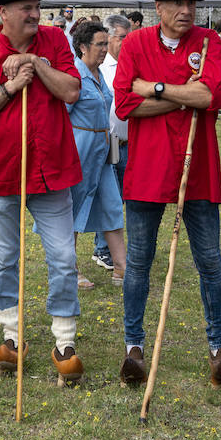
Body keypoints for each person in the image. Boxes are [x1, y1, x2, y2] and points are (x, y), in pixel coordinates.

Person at [0, 0, 84, 386]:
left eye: (37, 7)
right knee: (4, 260)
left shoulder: (56, 42)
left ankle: (64, 340)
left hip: (52, 173)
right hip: (1, 173)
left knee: (63, 258)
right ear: (3, 13)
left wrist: (36, 65)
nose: (34, 14)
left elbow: (71, 93)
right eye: (25, 8)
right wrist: (10, 88)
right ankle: (12, 335)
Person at [114, 0, 221, 387]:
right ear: (158, 8)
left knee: (210, 262)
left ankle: (219, 346)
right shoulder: (134, 44)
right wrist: (184, 94)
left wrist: (157, 88)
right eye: (176, 5)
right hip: (148, 168)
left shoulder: (208, 43)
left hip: (198, 166)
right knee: (139, 264)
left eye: (192, 6)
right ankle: (134, 345)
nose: (186, 12)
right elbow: (126, 104)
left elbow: (210, 98)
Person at [61, 23, 125, 291]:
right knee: (72, 210)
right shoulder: (73, 75)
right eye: (99, 44)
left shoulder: (99, 74)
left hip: (103, 150)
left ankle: (123, 267)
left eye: (105, 43)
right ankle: (69, 270)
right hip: (80, 150)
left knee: (112, 205)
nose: (104, 49)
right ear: (83, 47)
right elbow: (61, 115)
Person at [93, 15, 131, 275]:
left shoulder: (131, 64)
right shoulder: (98, 67)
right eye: (121, 38)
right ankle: (102, 249)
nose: (125, 43)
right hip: (107, 143)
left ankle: (109, 248)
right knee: (108, 197)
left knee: (121, 199)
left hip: (129, 143)